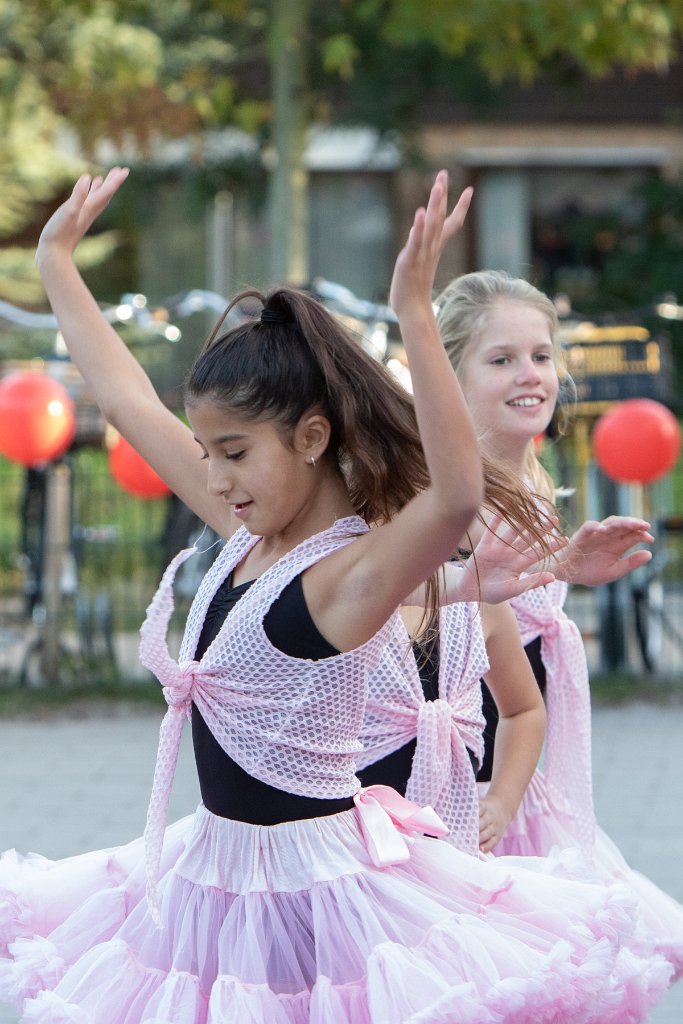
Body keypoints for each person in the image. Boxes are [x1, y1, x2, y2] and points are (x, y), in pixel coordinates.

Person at [0, 170, 671, 1022]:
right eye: (208, 452)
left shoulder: (341, 578)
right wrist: (58, 261)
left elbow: (457, 497)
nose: (213, 476)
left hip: (316, 893)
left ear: (311, 438)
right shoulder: (245, 529)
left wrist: (417, 317)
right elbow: (131, 403)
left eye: (234, 452)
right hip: (213, 874)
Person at [436, 267, 683, 976]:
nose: (530, 374)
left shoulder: (533, 483)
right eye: (501, 359)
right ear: (447, 373)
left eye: (541, 356)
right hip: (457, 780)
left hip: (512, 780)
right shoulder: (445, 495)